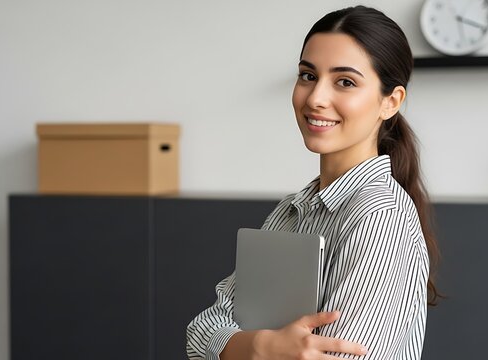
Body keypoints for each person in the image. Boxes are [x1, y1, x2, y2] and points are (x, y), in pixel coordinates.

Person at [186, 5, 440, 360]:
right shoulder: (290, 212)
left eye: (345, 82)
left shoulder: (380, 214)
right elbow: (201, 331)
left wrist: (237, 347)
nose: (316, 98)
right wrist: (261, 347)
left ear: (390, 101)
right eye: (308, 76)